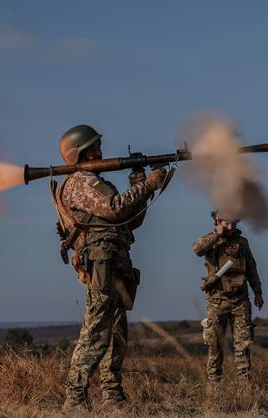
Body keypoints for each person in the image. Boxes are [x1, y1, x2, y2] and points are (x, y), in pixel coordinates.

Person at [52, 124, 166, 410]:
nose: (100, 151)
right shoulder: (80, 183)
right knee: (96, 331)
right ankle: (75, 397)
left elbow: (129, 219)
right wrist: (148, 184)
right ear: (81, 153)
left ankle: (112, 396)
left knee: (116, 334)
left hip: (115, 261)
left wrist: (140, 182)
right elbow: (113, 207)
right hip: (101, 263)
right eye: (94, 148)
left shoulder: (96, 182)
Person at [192, 210, 264, 382]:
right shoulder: (210, 241)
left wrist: (258, 292)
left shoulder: (242, 243)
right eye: (226, 223)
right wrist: (216, 235)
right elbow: (197, 249)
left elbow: (251, 268)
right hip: (217, 300)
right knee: (215, 346)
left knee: (243, 345)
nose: (230, 227)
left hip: (240, 301)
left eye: (233, 224)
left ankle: (245, 388)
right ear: (218, 221)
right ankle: (215, 389)